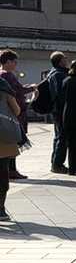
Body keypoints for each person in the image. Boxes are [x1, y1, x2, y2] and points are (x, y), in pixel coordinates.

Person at [0, 51, 28, 179]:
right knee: (12, 142)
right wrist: (32, 89)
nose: (16, 64)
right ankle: (11, 170)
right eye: (14, 62)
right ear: (7, 62)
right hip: (9, 116)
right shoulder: (7, 77)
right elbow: (17, 93)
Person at [46, 52, 70, 173]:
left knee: (58, 136)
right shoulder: (59, 74)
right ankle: (57, 164)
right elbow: (61, 93)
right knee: (62, 137)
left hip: (56, 109)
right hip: (60, 109)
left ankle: (55, 163)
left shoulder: (53, 73)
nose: (67, 60)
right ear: (60, 61)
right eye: (65, 58)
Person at [0, 82, 19, 220]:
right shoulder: (4, 90)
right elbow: (16, 111)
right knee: (2, 174)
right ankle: (0, 209)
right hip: (3, 139)